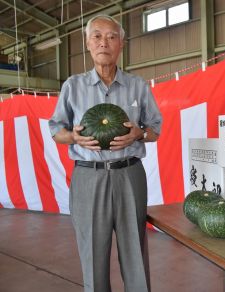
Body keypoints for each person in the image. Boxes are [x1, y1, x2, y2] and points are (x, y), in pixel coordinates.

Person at [49, 14, 162, 292]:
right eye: (97, 36)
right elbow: (56, 130)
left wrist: (139, 133)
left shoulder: (137, 86)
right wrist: (72, 136)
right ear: (88, 43)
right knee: (93, 255)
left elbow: (155, 130)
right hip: (89, 178)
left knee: (134, 251)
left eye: (112, 36)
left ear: (121, 44)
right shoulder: (72, 86)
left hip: (129, 174)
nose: (104, 42)